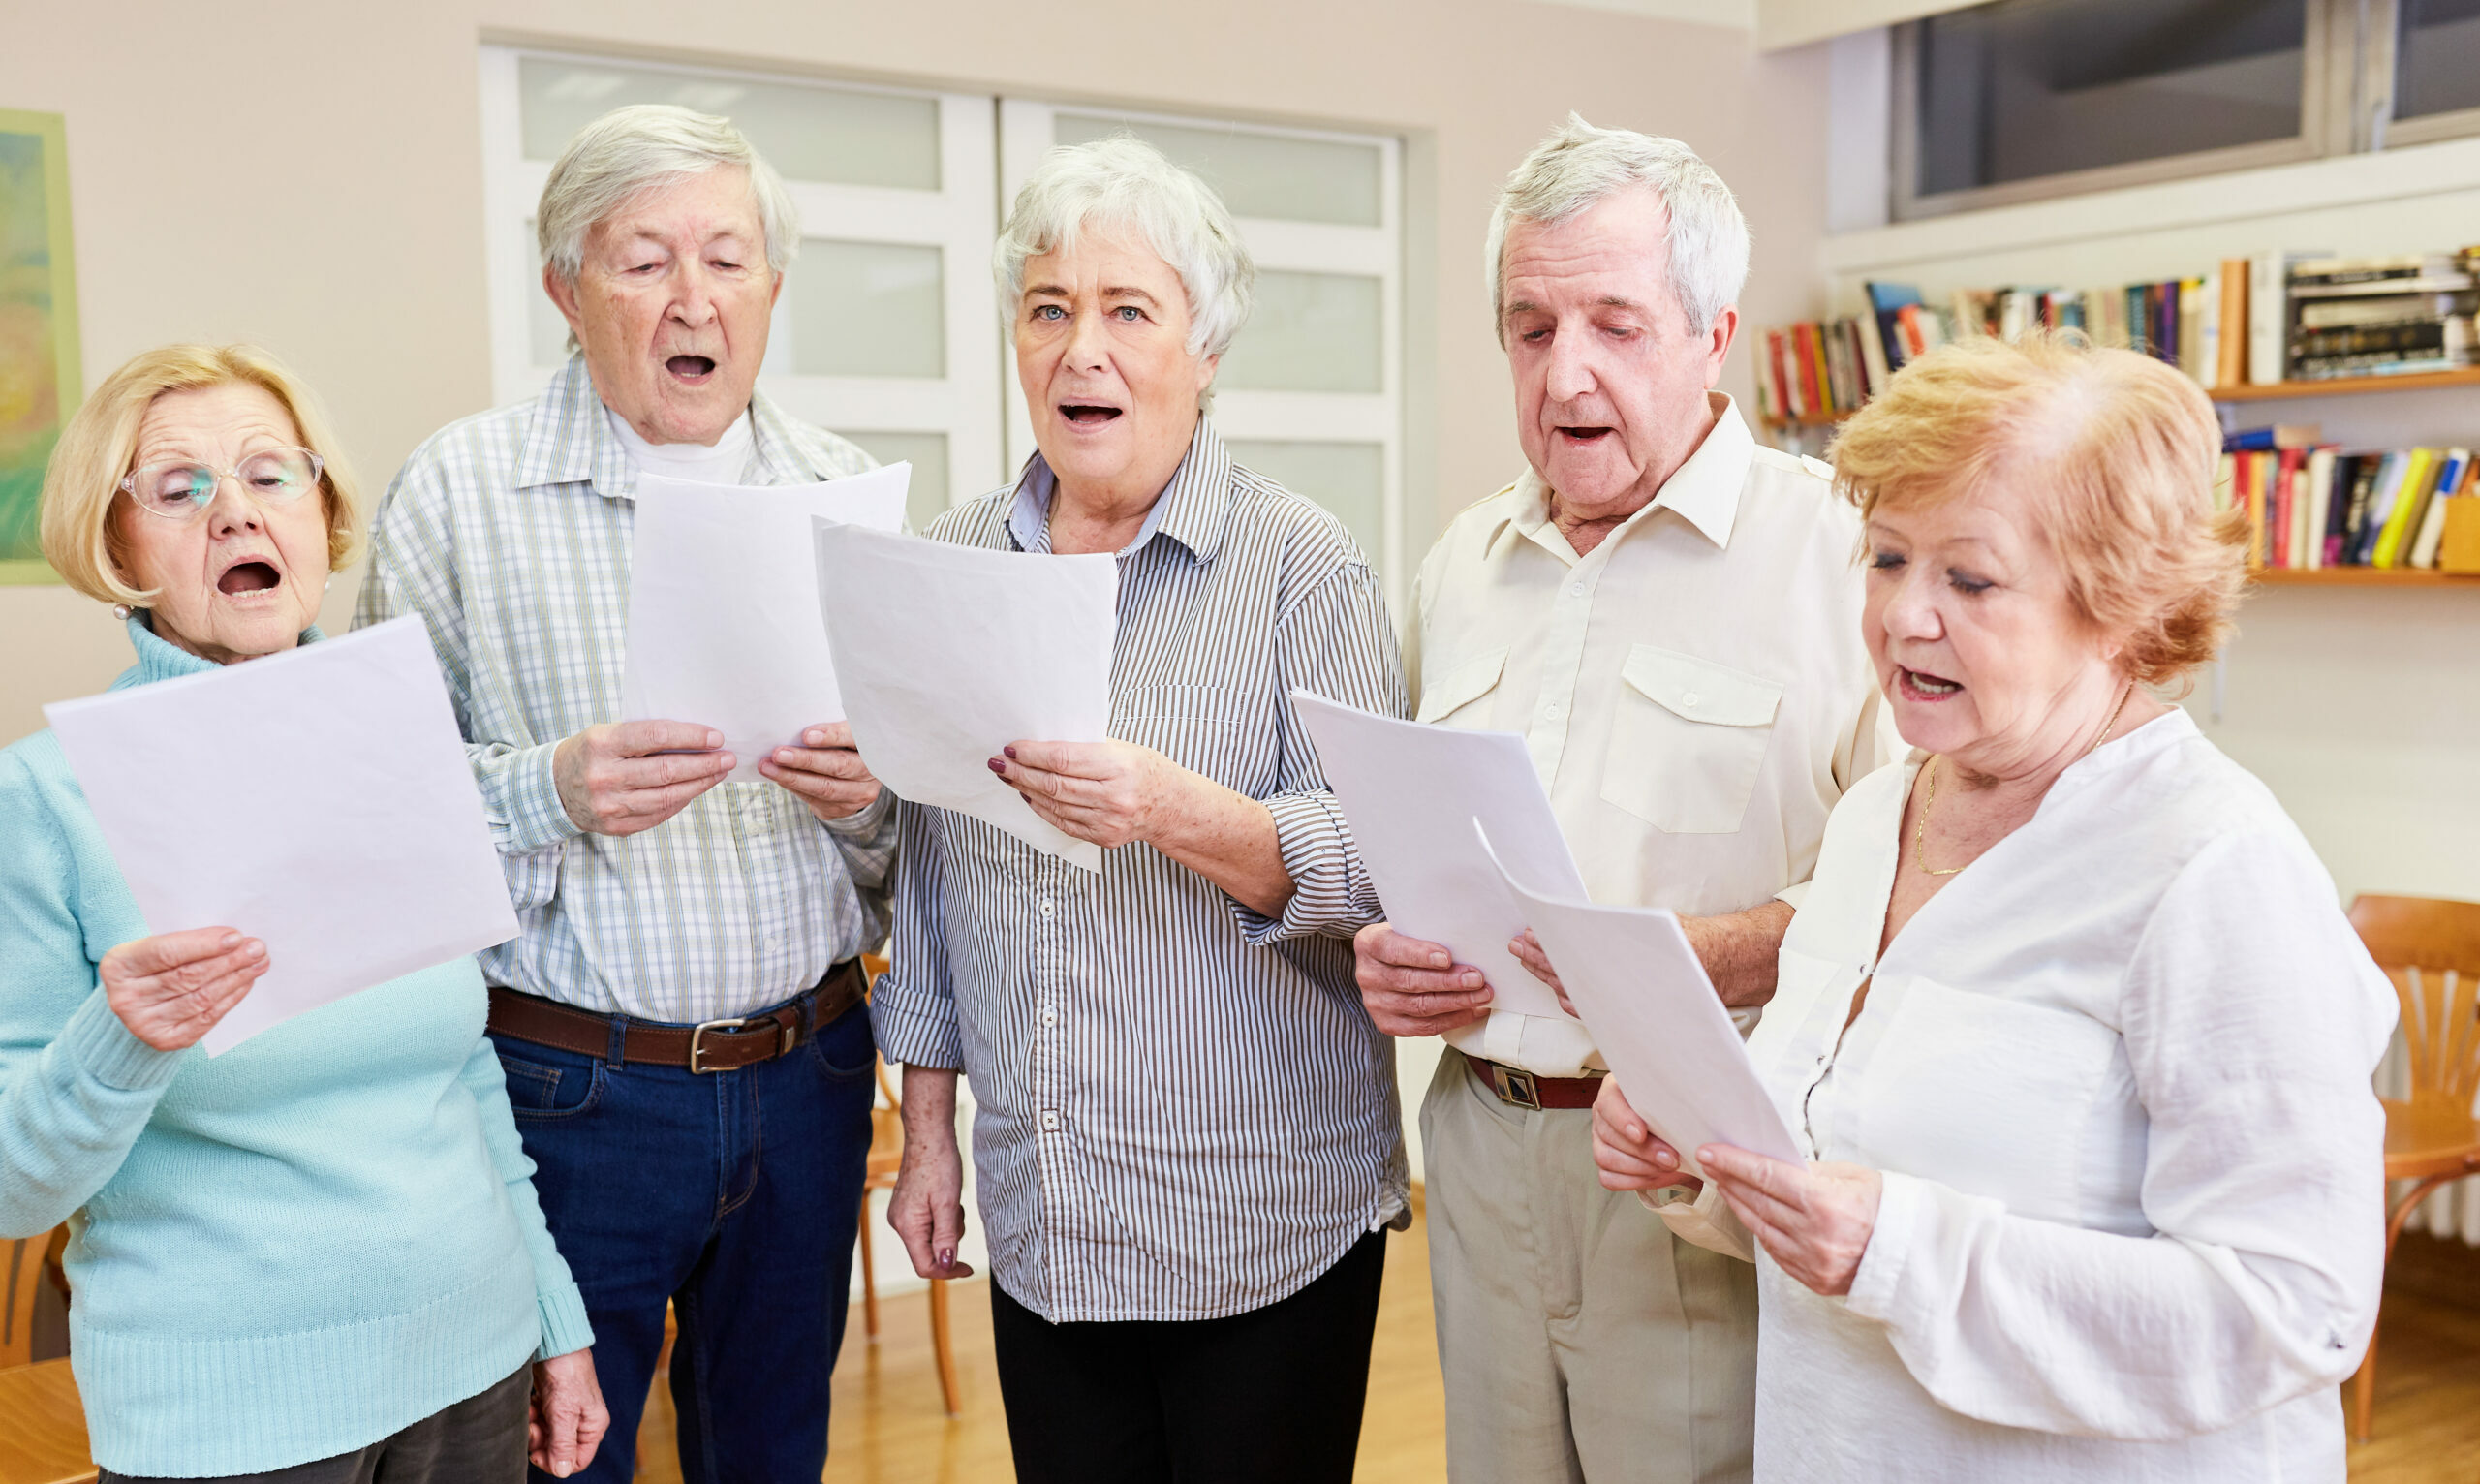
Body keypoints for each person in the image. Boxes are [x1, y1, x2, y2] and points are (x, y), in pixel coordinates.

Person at [1595, 333, 2394, 1480]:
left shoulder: (2215, 868)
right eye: (1886, 558)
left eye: (1968, 580)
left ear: (2118, 605)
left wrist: (1903, 1250)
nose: (1902, 616)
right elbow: (1841, 1173)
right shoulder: (1876, 816)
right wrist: (1703, 1163)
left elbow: (2293, 1308)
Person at [1350, 115, 1891, 1482]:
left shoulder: (1843, 559)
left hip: (1689, 1165)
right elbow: (1417, 838)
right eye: (1530, 329)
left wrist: (1707, 959)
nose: (1565, 373)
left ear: (1713, 335)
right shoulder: (1460, 564)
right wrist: (1396, 951)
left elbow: (1910, 896)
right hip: (1476, 1141)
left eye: (1614, 324)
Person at [356, 106, 885, 1483]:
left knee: (774, 1452)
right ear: (566, 291)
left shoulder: (846, 493)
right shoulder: (459, 492)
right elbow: (377, 823)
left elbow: (912, 844)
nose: (693, 298)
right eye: (645, 262)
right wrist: (554, 788)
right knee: (562, 1464)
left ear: (773, 286)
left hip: (812, 1076)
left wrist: (865, 797)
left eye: (728, 258)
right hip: (570, 1096)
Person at [873, 136, 1408, 1484]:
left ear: (1204, 348)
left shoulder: (1303, 564)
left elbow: (1373, 866)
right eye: (1049, 309)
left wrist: (1172, 807)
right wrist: (928, 1136)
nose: (1082, 350)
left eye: (1128, 310)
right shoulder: (951, 560)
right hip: (1046, 1218)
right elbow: (932, 879)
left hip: (1261, 1225)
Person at [0, 344, 604, 1483]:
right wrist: (120, 1038)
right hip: (230, 1416)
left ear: (321, 519)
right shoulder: (40, 797)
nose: (234, 509)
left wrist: (552, 1317)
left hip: (472, 1362)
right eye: (177, 486)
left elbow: (463, 1072)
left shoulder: (397, 737)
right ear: (117, 546)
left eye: (270, 473)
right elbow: (13, 1185)